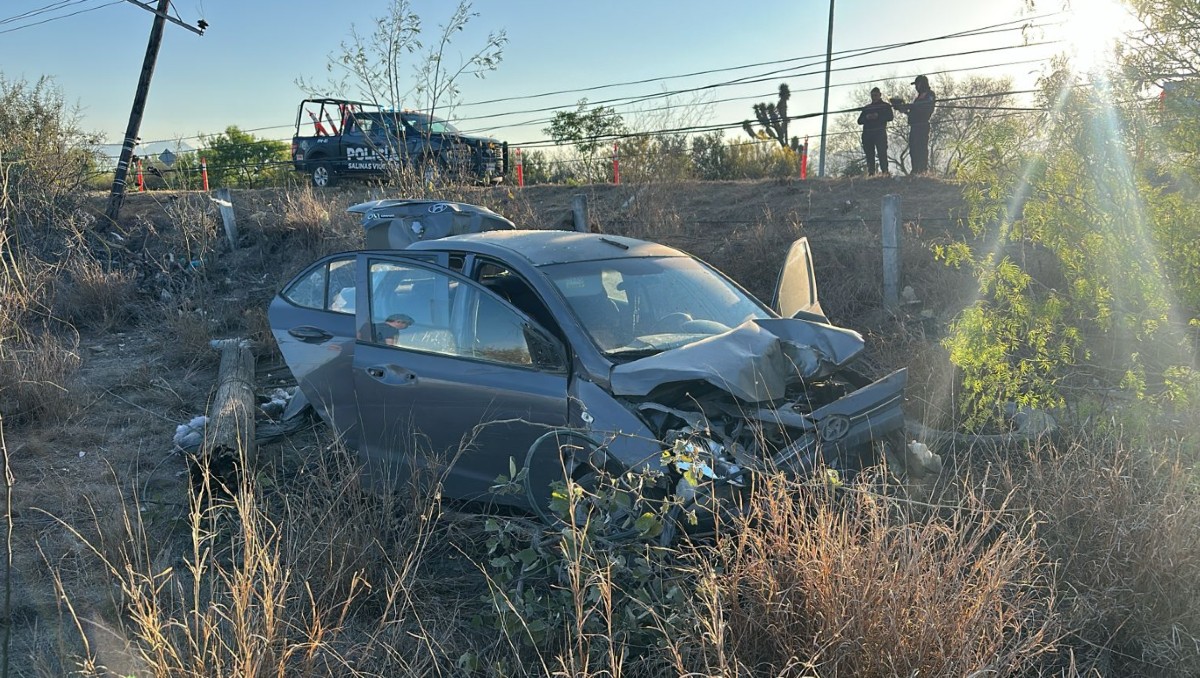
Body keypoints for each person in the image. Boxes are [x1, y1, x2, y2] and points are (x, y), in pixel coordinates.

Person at [892, 74, 936, 174]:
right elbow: (913, 112)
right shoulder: (917, 98)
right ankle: (915, 169)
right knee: (913, 148)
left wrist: (910, 107)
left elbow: (924, 109)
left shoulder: (930, 94)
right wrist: (902, 109)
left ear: (922, 84)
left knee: (921, 147)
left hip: (923, 125)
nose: (916, 87)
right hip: (914, 125)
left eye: (917, 84)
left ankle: (922, 170)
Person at [857, 87, 894, 176]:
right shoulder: (867, 108)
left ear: (880, 95)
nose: (874, 97)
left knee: (882, 153)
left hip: (880, 133)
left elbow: (890, 117)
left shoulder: (885, 106)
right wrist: (867, 117)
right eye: (872, 95)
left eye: (876, 95)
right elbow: (859, 121)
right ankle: (871, 172)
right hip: (867, 134)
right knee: (869, 154)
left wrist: (878, 116)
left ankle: (885, 171)